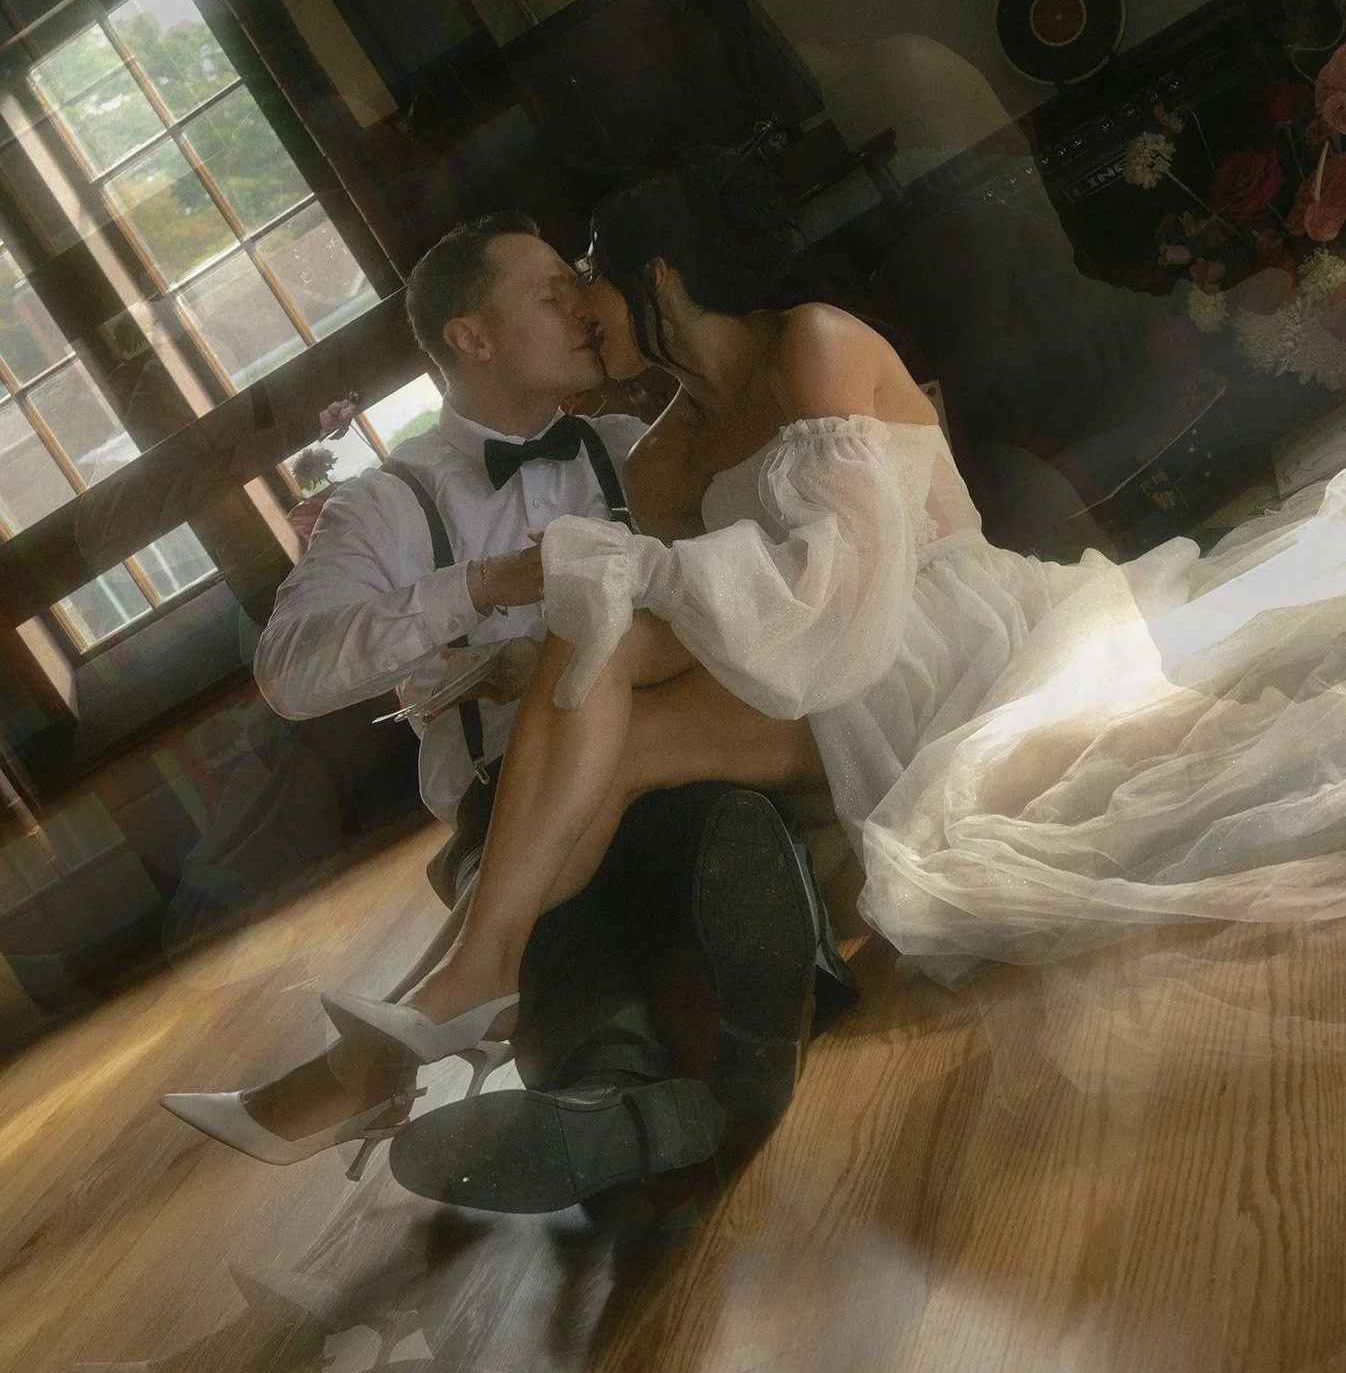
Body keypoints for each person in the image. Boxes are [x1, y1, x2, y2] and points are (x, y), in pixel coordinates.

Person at [321, 161, 1346, 1166]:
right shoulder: (654, 457)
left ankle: (451, 991)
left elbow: (842, 593)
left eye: (586, 268)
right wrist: (584, 617)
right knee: (596, 681)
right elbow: (715, 619)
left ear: (661, 274)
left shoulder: (812, 342)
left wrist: (616, 585)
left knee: (600, 671)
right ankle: (457, 990)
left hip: (947, 636)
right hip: (812, 678)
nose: (580, 302)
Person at [161, 210, 854, 1210]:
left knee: (689, 826)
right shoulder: (385, 505)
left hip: (673, 755)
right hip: (510, 796)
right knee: (562, 858)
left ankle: (581, 1091)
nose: (581, 306)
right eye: (549, 293)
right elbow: (291, 670)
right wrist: (480, 584)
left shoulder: (636, 444)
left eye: (582, 286)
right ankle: (635, 1086)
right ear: (470, 338)